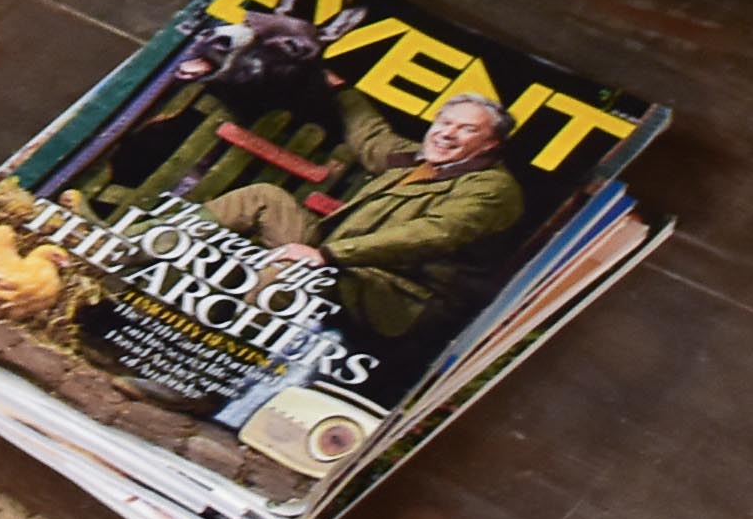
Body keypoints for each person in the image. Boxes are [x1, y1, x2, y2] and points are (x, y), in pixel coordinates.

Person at [203, 92, 525, 339]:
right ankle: (152, 242)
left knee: (288, 274)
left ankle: (208, 373)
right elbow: (370, 137)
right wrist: (340, 88)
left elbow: (436, 233)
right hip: (342, 261)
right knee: (263, 197)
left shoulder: (493, 188)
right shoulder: (417, 158)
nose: (447, 134)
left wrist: (328, 255)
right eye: (444, 122)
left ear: (489, 145)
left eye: (467, 129)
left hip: (399, 292)